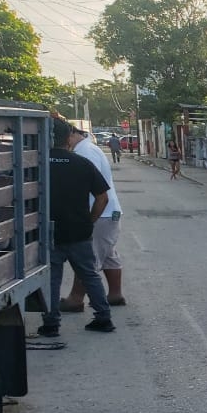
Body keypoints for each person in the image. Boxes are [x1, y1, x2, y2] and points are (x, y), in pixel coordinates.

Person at [37, 118, 115, 336]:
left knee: (52, 278)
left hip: (48, 231)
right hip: (79, 231)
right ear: (68, 139)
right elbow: (103, 197)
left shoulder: (37, 164)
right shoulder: (81, 163)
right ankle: (103, 317)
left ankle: (51, 324)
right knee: (89, 275)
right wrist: (89, 220)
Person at [60, 127, 126, 310]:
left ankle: (76, 298)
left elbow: (90, 186)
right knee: (108, 255)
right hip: (108, 212)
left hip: (100, 212)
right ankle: (115, 294)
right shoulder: (88, 149)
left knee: (87, 258)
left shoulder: (85, 153)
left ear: (72, 135)